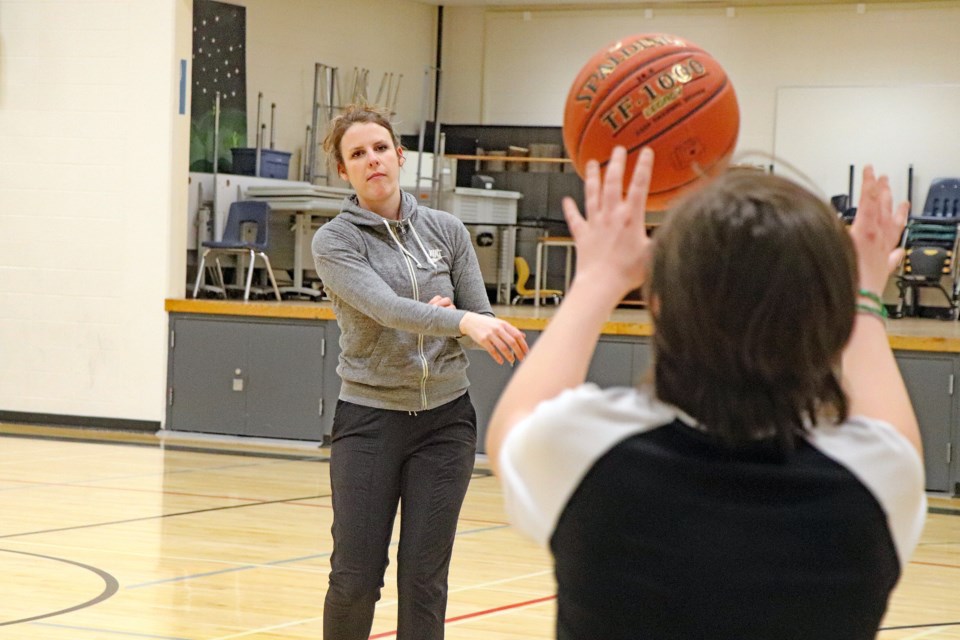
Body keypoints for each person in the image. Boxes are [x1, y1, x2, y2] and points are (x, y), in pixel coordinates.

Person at [486, 146, 927, 639]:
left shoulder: (583, 450)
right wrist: (864, 294)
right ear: (830, 319)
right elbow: (899, 439)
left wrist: (599, 278)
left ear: (656, 304)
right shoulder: (878, 477)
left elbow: (514, 421)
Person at [311, 103, 528, 640]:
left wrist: (462, 321)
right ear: (344, 170)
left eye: (380, 148)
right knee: (355, 579)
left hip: (445, 424)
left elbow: (482, 318)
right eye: (357, 154)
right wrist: (453, 319)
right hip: (370, 420)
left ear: (400, 155)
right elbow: (385, 308)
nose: (372, 160)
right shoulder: (336, 241)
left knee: (425, 582)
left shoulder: (447, 230)